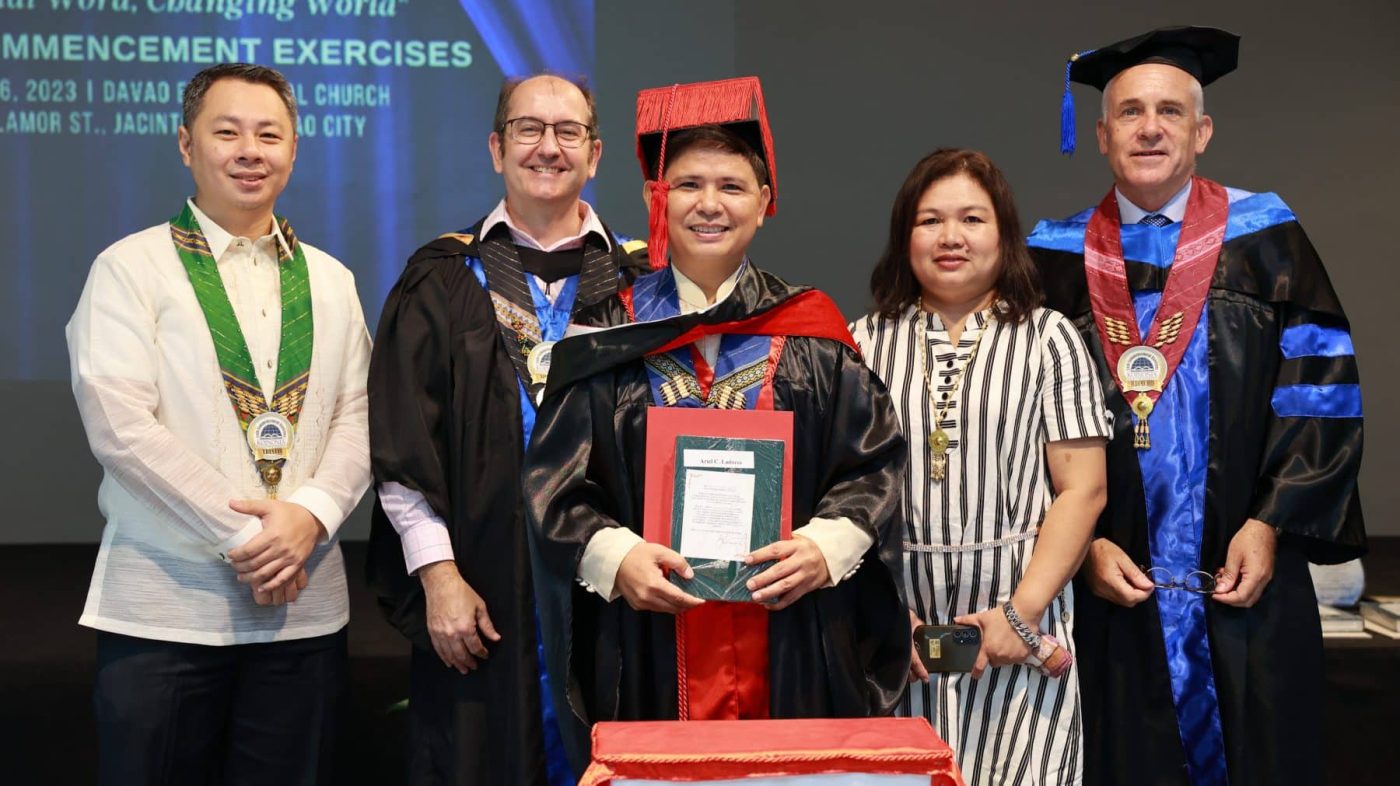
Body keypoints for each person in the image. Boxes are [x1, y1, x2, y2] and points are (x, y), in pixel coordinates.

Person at [526, 77, 910, 774]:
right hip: (650, 638)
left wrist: (824, 547)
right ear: (658, 199)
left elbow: (872, 464)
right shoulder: (608, 335)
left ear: (764, 203)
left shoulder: (812, 332)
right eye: (688, 185)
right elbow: (556, 484)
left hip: (788, 633)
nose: (709, 204)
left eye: (731, 186)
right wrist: (616, 558)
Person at [1027, 26, 1366, 786]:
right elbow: (1019, 426)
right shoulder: (1052, 257)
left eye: (1170, 111)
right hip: (1107, 590)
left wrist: (1272, 523)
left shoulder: (1268, 240)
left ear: (1202, 131)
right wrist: (1078, 545)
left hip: (1244, 578)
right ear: (1102, 136)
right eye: (1131, 112)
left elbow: (1320, 392)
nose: (1150, 128)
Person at [66, 62, 371, 785]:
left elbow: (360, 414)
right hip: (165, 615)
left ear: (293, 149)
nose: (249, 151)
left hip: (303, 618)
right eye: (227, 132)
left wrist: (311, 515)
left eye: (269, 134)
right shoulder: (129, 268)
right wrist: (253, 540)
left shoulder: (331, 279)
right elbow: (121, 428)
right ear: (186, 144)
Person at [365, 73, 649, 786]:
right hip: (481, 586)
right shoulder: (441, 278)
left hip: (615, 594)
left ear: (595, 154)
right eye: (529, 129)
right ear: (497, 148)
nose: (548, 147)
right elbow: (403, 445)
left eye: (568, 132)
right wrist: (439, 577)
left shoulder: (643, 282)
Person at [849, 148, 1109, 785]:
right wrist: (887, 617)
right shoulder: (859, 342)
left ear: (1004, 233)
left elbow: (1083, 490)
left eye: (972, 219)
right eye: (930, 220)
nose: (951, 237)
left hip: (1024, 625)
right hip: (898, 633)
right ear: (904, 236)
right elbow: (840, 495)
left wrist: (1020, 616)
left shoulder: (1050, 338)